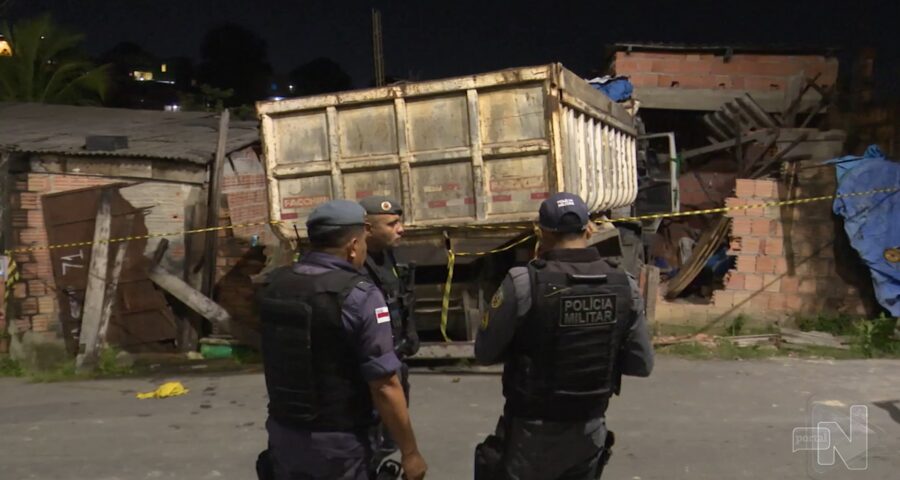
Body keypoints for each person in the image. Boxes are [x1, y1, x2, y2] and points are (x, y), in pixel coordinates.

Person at [473, 192, 654, 480]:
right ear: (589, 229)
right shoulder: (624, 285)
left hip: (531, 433)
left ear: (541, 232)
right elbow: (641, 364)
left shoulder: (524, 282)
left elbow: (484, 352)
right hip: (589, 429)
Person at [258, 200, 427, 480]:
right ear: (352, 246)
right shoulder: (359, 295)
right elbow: (385, 384)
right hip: (340, 443)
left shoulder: (276, 285)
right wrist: (410, 452)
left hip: (283, 432)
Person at [358, 196, 420, 466]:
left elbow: (400, 299)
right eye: (392, 223)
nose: (401, 228)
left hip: (396, 359)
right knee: (371, 442)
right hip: (375, 369)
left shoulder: (388, 256)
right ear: (367, 229)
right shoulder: (357, 265)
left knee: (390, 438)